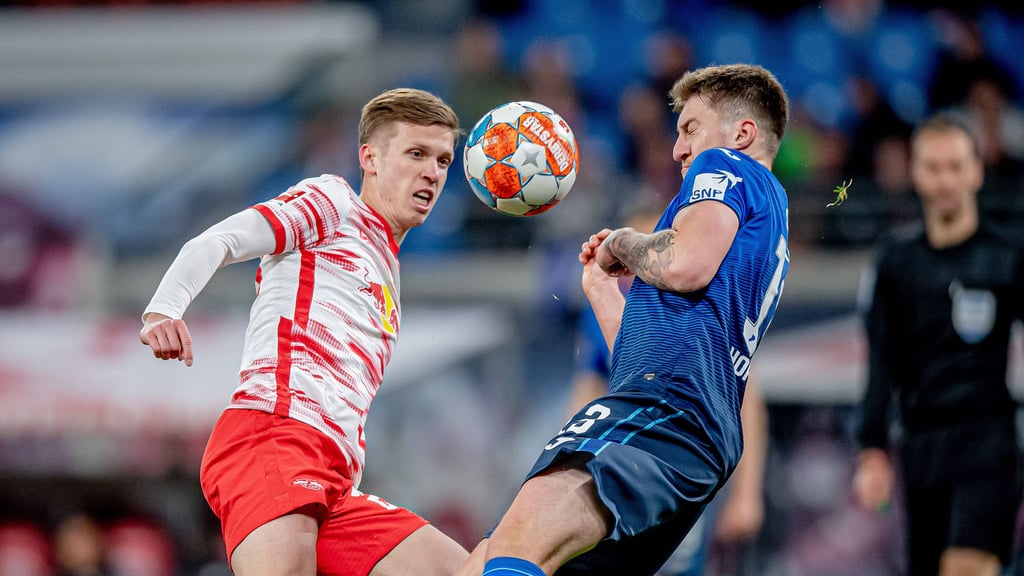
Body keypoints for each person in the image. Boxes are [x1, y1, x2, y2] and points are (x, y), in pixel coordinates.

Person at [455, 63, 790, 576]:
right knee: (490, 559)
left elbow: (683, 263)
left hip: (668, 409)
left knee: (515, 545)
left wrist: (622, 242)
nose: (680, 149)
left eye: (690, 129)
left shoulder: (728, 167)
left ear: (742, 133)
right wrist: (604, 290)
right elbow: (638, 356)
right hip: (680, 423)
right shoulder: (760, 220)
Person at [139, 88, 468, 576]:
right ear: (370, 159)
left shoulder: (388, 273)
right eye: (416, 154)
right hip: (273, 435)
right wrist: (163, 311)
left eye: (443, 160)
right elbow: (222, 239)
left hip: (335, 477)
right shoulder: (333, 203)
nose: (432, 172)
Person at [852, 113, 1024, 576]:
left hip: (988, 436)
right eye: (934, 166)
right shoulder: (895, 262)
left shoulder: (1007, 256)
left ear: (977, 171)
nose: (945, 179)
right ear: (915, 171)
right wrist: (872, 450)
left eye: (955, 166)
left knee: (965, 567)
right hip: (921, 441)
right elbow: (880, 360)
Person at [566, 203, 768, 576]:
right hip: (624, 462)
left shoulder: (701, 308)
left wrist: (747, 493)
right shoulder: (609, 306)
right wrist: (569, 460)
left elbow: (746, 402)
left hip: (682, 459)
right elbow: (586, 392)